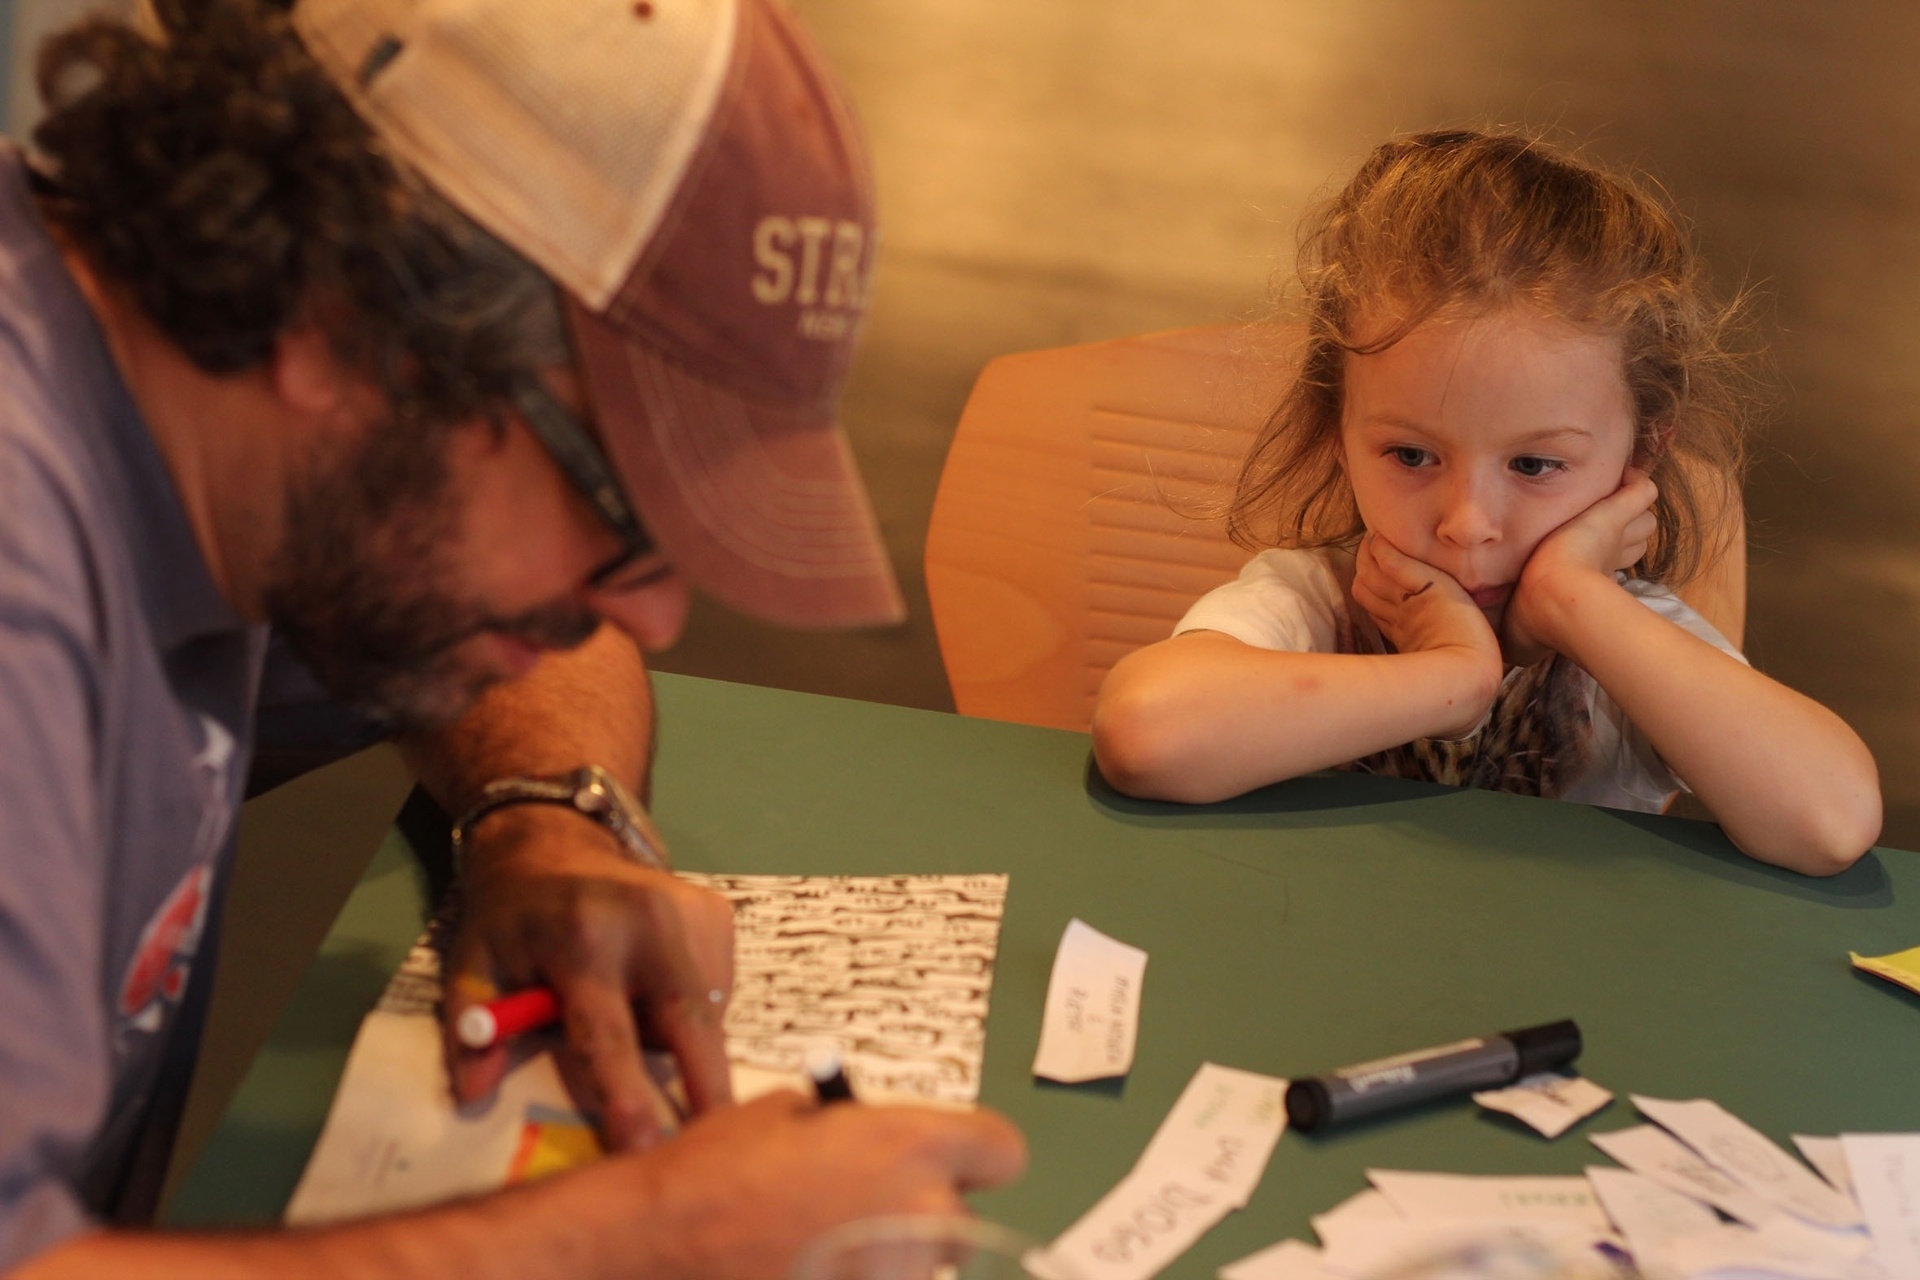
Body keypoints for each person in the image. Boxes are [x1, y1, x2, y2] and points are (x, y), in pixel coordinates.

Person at [0, 0, 1024, 1275]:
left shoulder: (235, 439)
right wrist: (649, 1232)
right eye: (620, 506)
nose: (654, 614)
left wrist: (544, 822)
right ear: (336, 314)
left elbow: (563, 651)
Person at [1093, 130, 1880, 877]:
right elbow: (1145, 735)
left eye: (1535, 464)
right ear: (1338, 429)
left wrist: (1572, 599)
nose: (1466, 524)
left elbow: (1832, 821)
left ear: (1640, 454)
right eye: (1410, 455)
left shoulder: (1622, 642)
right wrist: (1459, 676)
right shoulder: (1314, 601)